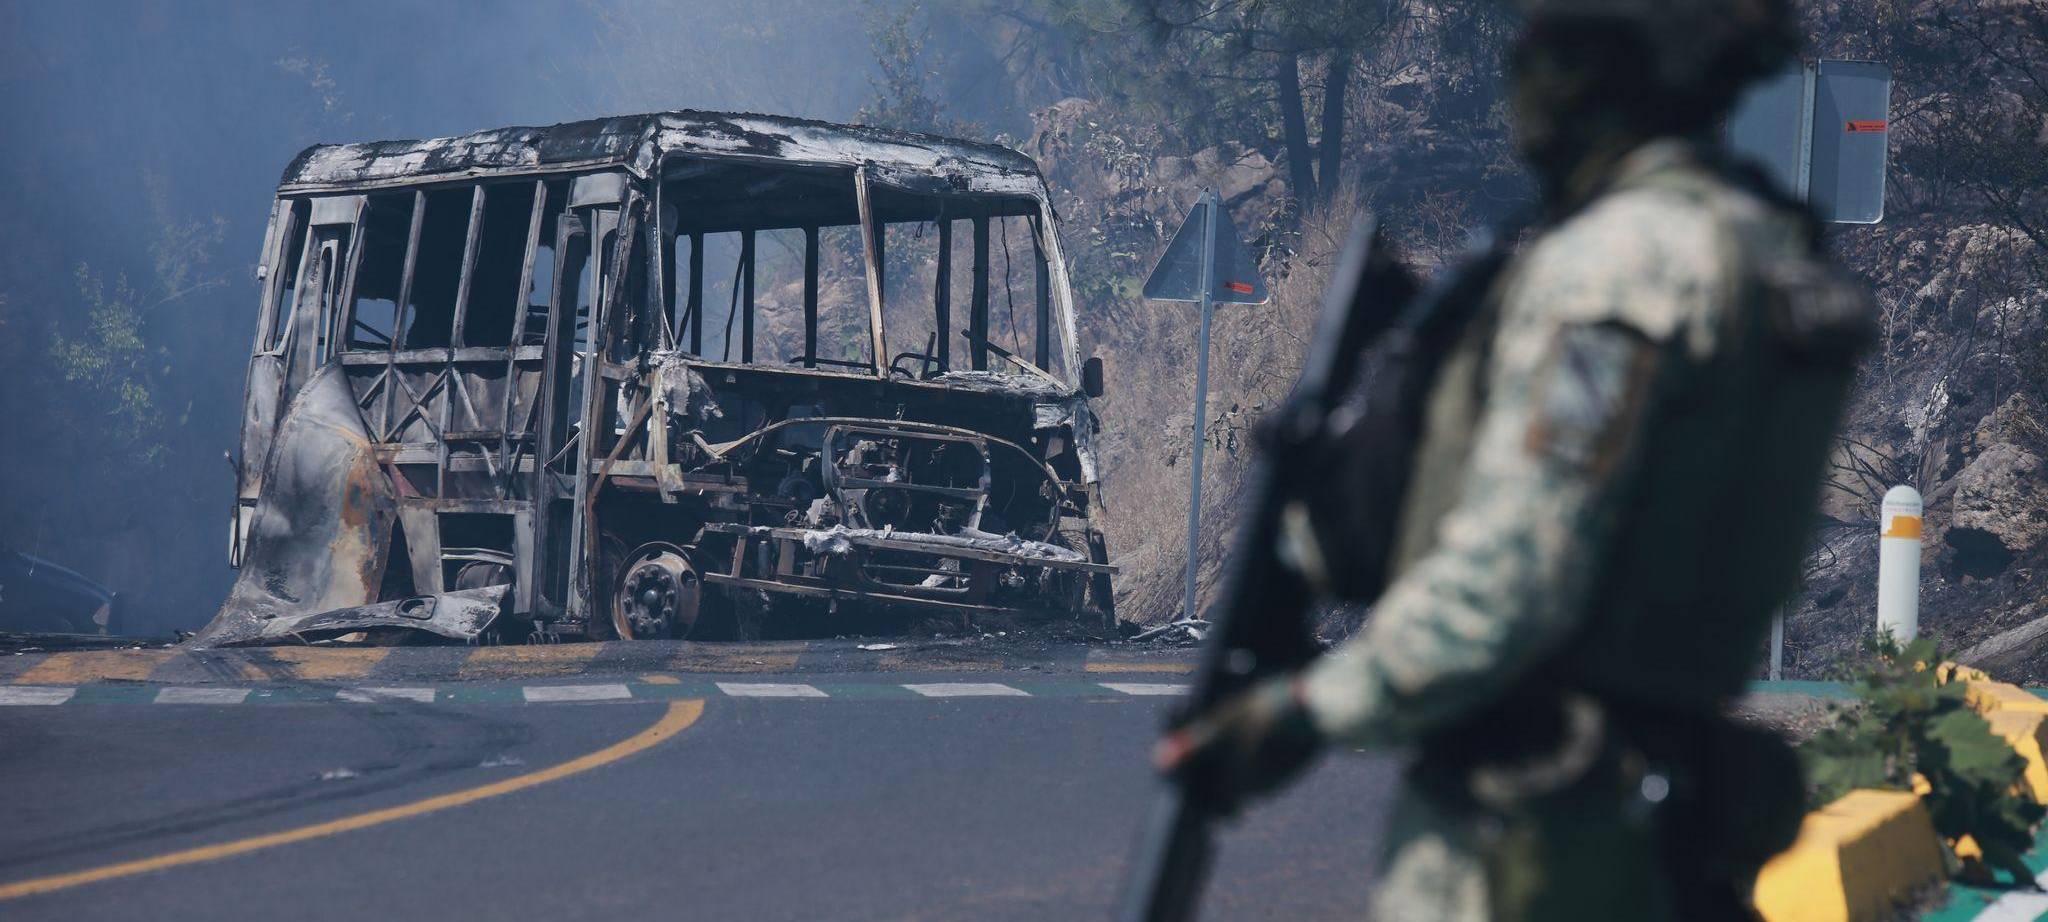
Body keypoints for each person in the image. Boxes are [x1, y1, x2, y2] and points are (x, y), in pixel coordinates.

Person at [1156, 1, 1875, 919]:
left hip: (1529, 840)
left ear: (1601, 70)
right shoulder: (1767, 253)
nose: (1522, 84)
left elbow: (1515, 576)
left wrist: (1304, 711)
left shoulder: (1622, 269)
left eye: (1547, 49)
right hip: (1669, 821)